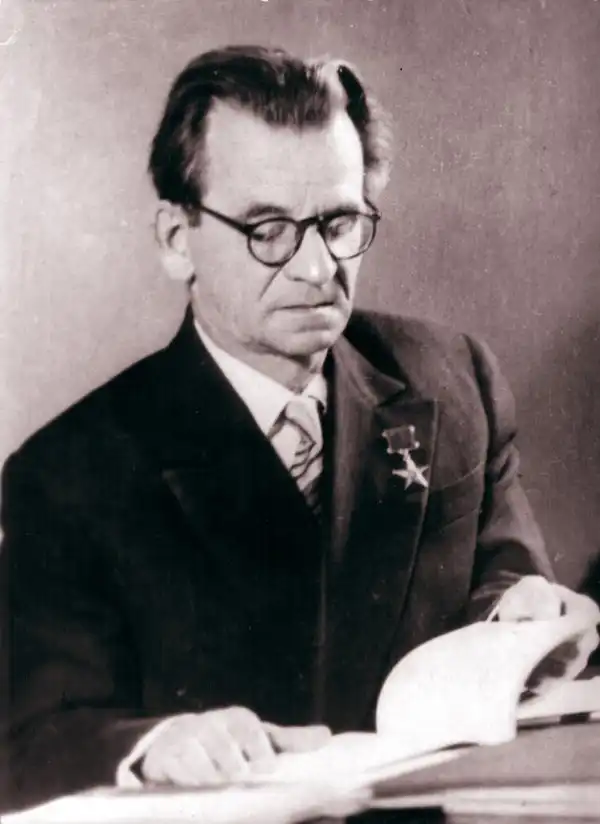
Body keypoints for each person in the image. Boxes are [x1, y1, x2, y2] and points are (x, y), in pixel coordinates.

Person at [1, 44, 598, 812]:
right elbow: (26, 738)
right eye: (268, 229)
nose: (317, 270)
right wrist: (151, 747)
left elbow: (506, 584)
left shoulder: (453, 381)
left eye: (339, 222)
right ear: (176, 239)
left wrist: (530, 619)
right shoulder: (69, 473)